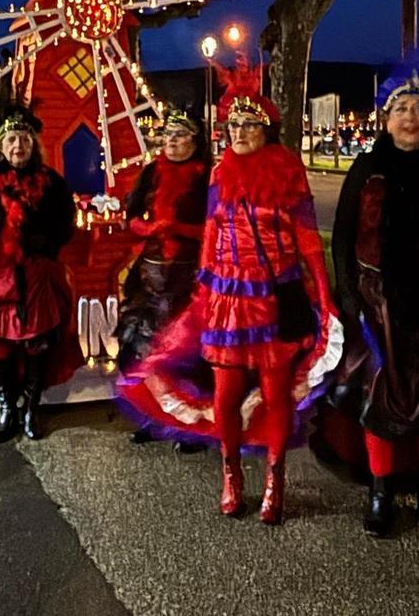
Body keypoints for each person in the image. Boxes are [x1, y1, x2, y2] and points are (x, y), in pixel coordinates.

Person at [118, 72, 343, 525]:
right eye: (232, 127)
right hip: (224, 298)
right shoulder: (220, 172)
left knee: (277, 393)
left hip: (274, 297)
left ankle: (274, 480)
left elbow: (306, 238)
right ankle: (231, 473)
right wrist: (203, 285)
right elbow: (214, 229)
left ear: (266, 131)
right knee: (225, 394)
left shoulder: (287, 168)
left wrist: (324, 294)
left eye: (248, 126)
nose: (238, 134)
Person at [329, 71, 419, 536]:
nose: (410, 118)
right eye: (401, 110)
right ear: (386, 119)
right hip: (377, 303)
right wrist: (349, 294)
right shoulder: (366, 169)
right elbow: (343, 236)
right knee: (379, 395)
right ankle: (380, 490)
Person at [0, 106, 82, 442]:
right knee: (1, 347)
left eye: (24, 138)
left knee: (36, 344)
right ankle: (9, 406)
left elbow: (66, 224)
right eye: (11, 139)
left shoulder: (51, 183)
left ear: (33, 144)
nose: (18, 145)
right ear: (1, 146)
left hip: (37, 278)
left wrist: (47, 242)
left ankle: (32, 409)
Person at [115, 108, 210, 444]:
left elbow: (215, 226)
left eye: (180, 134)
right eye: (167, 134)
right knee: (140, 346)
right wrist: (149, 227)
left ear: (195, 142)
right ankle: (152, 417)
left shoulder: (206, 177)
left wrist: (179, 228)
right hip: (150, 275)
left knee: (186, 353)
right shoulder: (152, 172)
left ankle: (190, 426)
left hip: (189, 276)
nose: (171, 140)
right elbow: (131, 216)